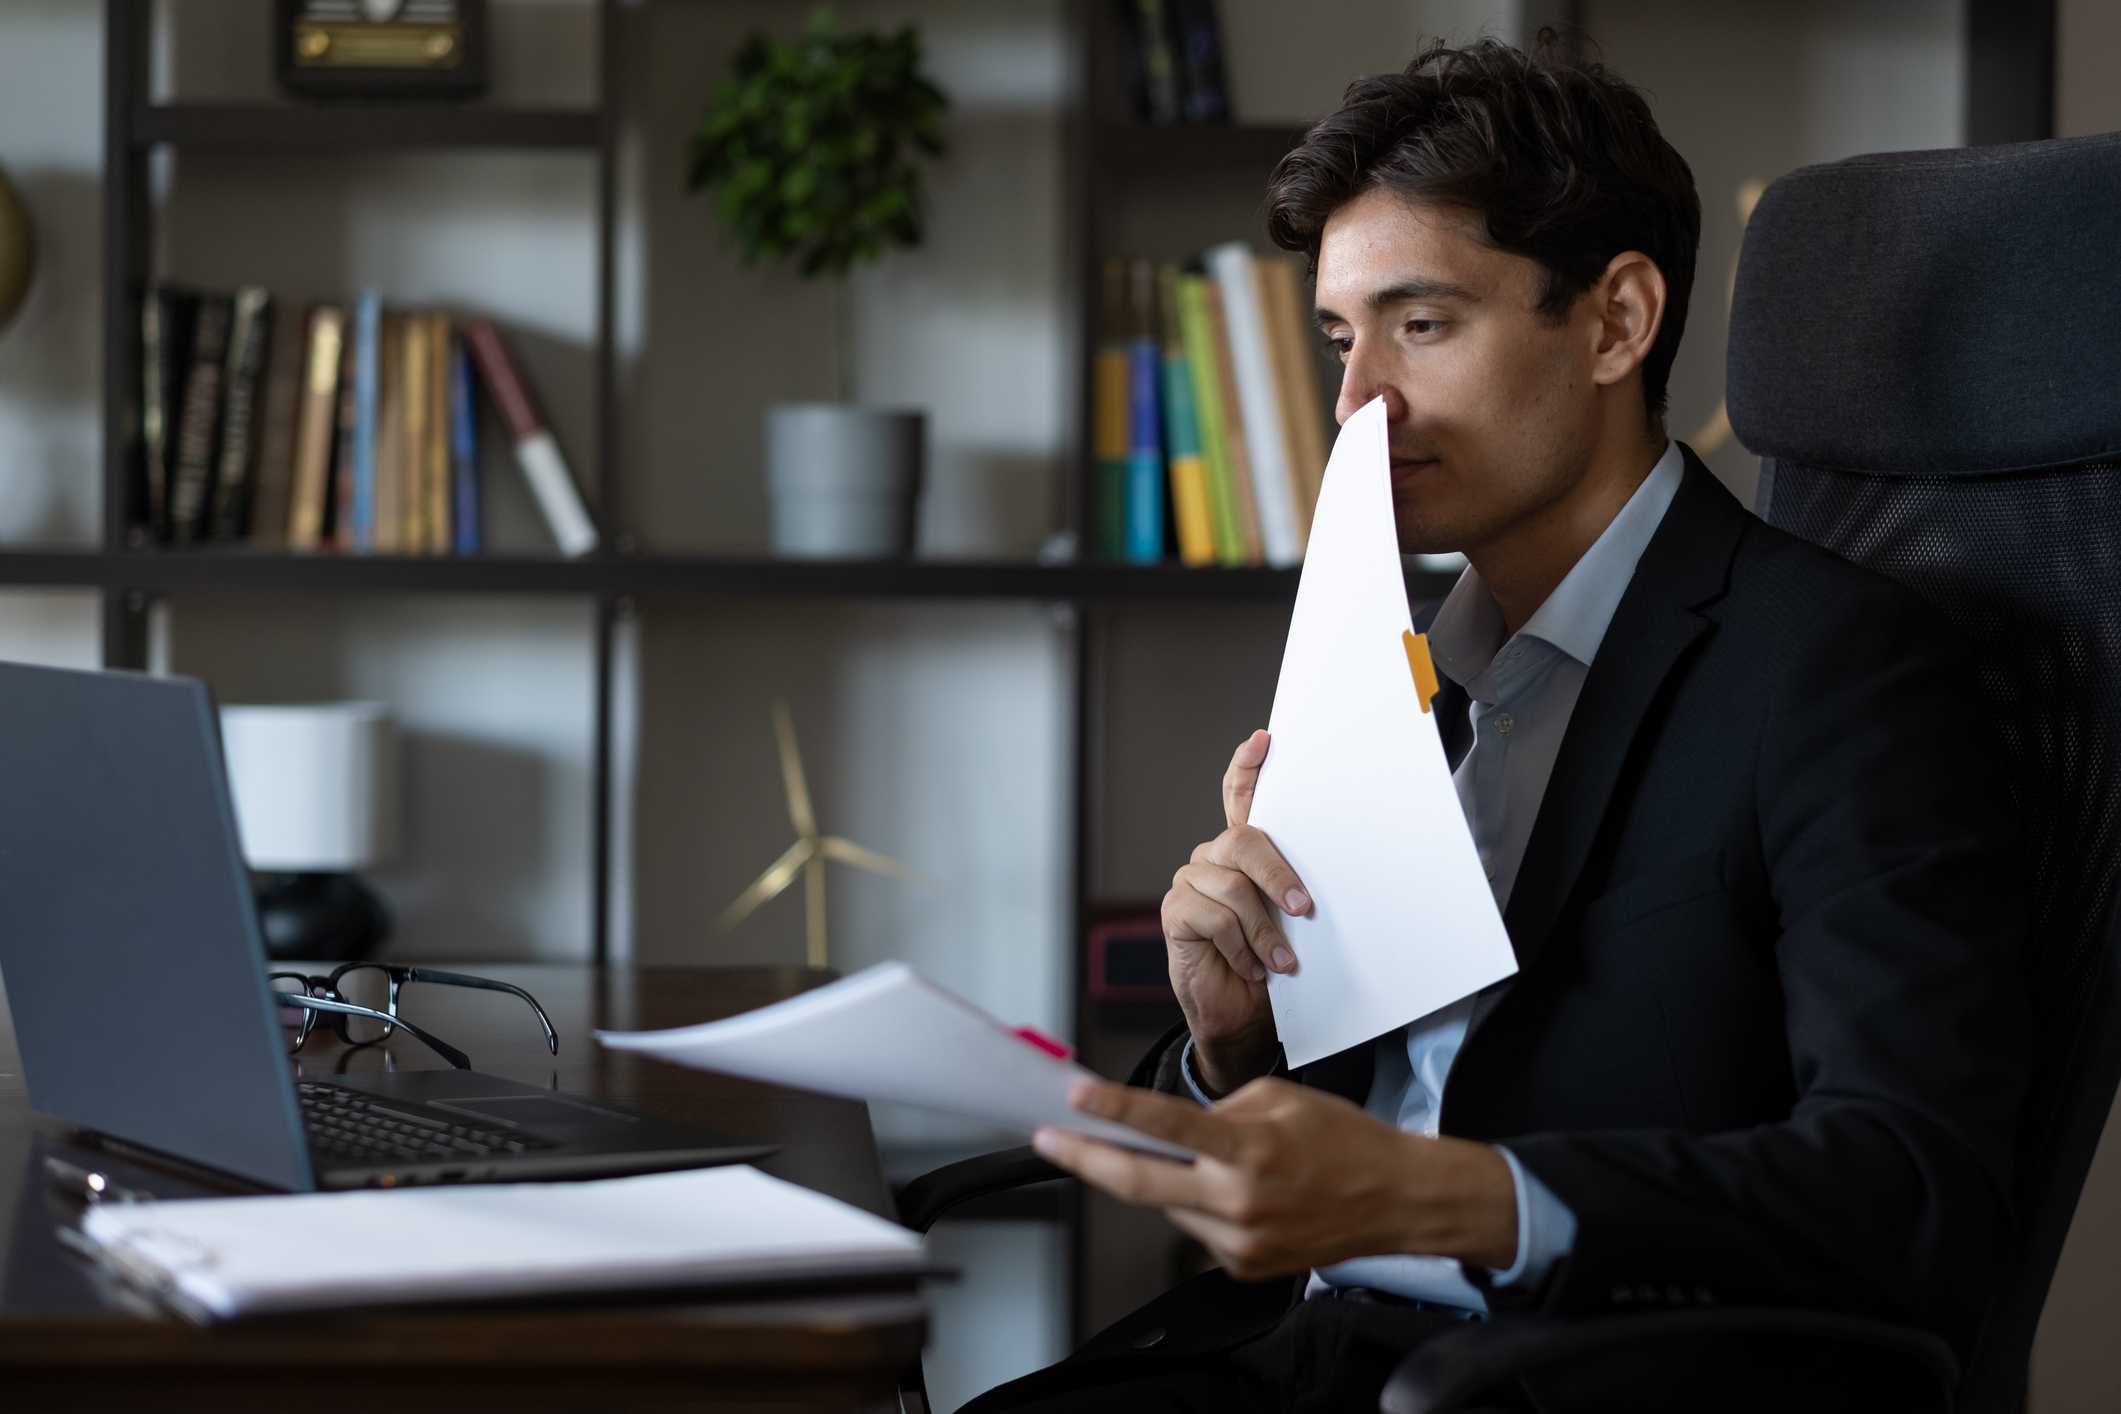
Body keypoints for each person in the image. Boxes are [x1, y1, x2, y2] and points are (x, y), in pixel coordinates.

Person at [963, 33, 2029, 1414]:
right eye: (1341, 339)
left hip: (1569, 1377)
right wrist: (1234, 1036)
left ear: (1613, 322)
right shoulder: (1397, 668)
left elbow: (1909, 1189)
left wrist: (1462, 1197)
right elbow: (1363, 1104)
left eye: (1421, 325)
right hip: (1299, 1353)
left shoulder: (1842, 672)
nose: (1353, 410)